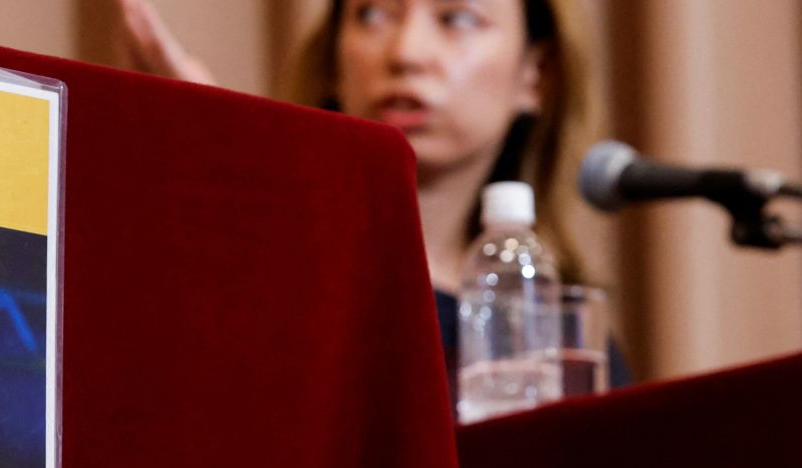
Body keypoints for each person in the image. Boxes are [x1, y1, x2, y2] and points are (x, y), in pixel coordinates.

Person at [117, 0, 630, 388]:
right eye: (373, 13)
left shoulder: (566, 338)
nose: (406, 53)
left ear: (536, 75)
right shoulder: (266, 273)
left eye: (458, 19)